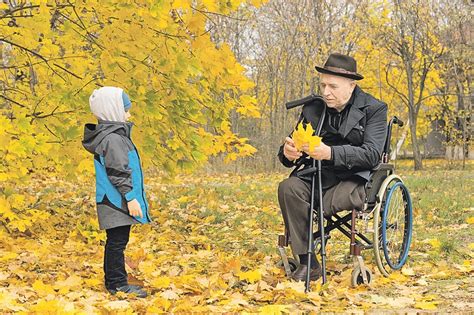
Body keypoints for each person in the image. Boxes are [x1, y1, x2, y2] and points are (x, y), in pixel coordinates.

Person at [277, 53, 388, 281]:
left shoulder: (374, 109)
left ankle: (314, 237)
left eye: (333, 86)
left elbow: (372, 154)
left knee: (325, 203)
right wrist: (288, 153)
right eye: (323, 85)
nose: (326, 92)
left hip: (354, 175)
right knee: (288, 188)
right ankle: (309, 262)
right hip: (319, 174)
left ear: (351, 85)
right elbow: (294, 143)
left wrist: (331, 152)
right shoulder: (314, 109)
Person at [82, 86, 152, 297]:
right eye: (125, 109)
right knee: (117, 243)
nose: (129, 114)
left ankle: (115, 282)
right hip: (116, 200)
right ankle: (117, 285)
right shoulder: (112, 139)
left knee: (117, 241)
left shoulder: (115, 136)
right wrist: (130, 198)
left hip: (115, 199)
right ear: (112, 110)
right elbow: (117, 171)